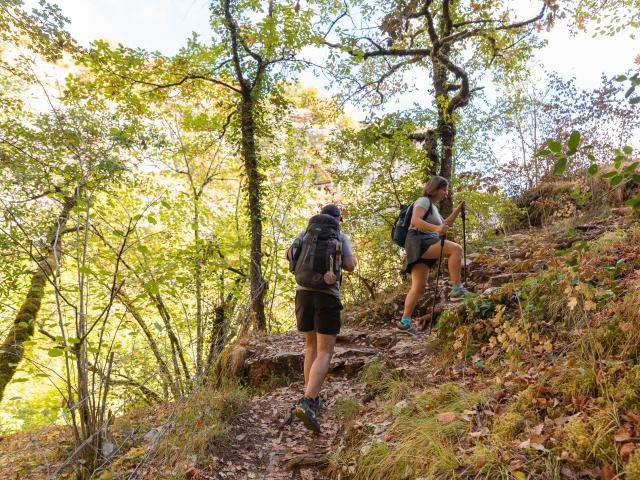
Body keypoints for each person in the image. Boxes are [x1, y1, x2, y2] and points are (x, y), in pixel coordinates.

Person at [286, 204, 356, 432]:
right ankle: (309, 401)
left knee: (311, 348)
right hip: (327, 296)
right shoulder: (340, 236)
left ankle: (310, 396)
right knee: (325, 351)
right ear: (337, 218)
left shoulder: (305, 233)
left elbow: (289, 255)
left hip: (302, 293)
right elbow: (350, 266)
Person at [397, 176, 467, 336]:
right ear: (435, 188)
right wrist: (436, 230)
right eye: (444, 189)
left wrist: (458, 209)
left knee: (418, 287)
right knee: (455, 249)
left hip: (419, 243)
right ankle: (457, 290)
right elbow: (415, 221)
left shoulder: (433, 208)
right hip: (420, 241)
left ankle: (404, 323)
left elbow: (445, 225)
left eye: (447, 190)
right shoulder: (423, 201)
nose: (446, 193)